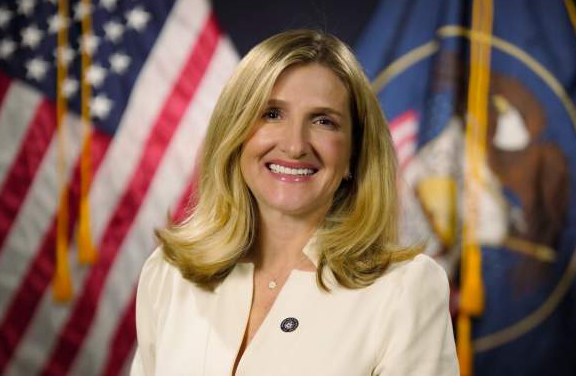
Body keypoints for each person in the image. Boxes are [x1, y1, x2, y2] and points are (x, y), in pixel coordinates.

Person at [130, 30, 459, 375]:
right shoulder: (171, 273)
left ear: (354, 154)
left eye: (323, 121)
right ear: (234, 132)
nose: (294, 145)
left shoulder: (405, 290)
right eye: (272, 114)